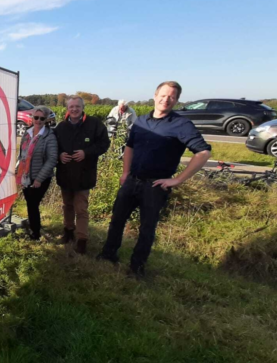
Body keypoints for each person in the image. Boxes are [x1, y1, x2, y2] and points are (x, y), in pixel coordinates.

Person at [98, 81, 212, 277]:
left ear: (176, 100)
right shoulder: (141, 121)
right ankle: (108, 255)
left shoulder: (181, 124)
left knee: (147, 228)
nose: (166, 99)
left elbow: (202, 152)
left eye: (172, 97)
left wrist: (177, 180)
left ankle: (137, 267)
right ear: (155, 95)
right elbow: (130, 147)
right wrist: (125, 173)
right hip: (132, 180)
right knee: (117, 220)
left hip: (155, 185)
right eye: (163, 95)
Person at [55, 96, 110, 254]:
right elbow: (53, 146)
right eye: (71, 106)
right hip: (65, 174)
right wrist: (59, 155)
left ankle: (82, 240)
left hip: (84, 176)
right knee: (67, 206)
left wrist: (86, 153)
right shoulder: (61, 127)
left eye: (77, 106)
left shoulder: (94, 124)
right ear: (67, 108)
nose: (74, 109)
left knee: (81, 209)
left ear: (82, 107)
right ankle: (68, 232)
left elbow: (104, 143)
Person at [16, 106, 58, 240]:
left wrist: (39, 179)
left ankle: (35, 233)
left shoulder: (49, 136)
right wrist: (18, 170)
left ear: (46, 120)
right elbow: (21, 154)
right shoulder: (27, 133)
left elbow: (52, 159)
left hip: (41, 177)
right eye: (36, 117)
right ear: (32, 118)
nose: (38, 120)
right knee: (30, 203)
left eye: (42, 118)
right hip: (26, 176)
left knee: (33, 204)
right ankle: (35, 227)